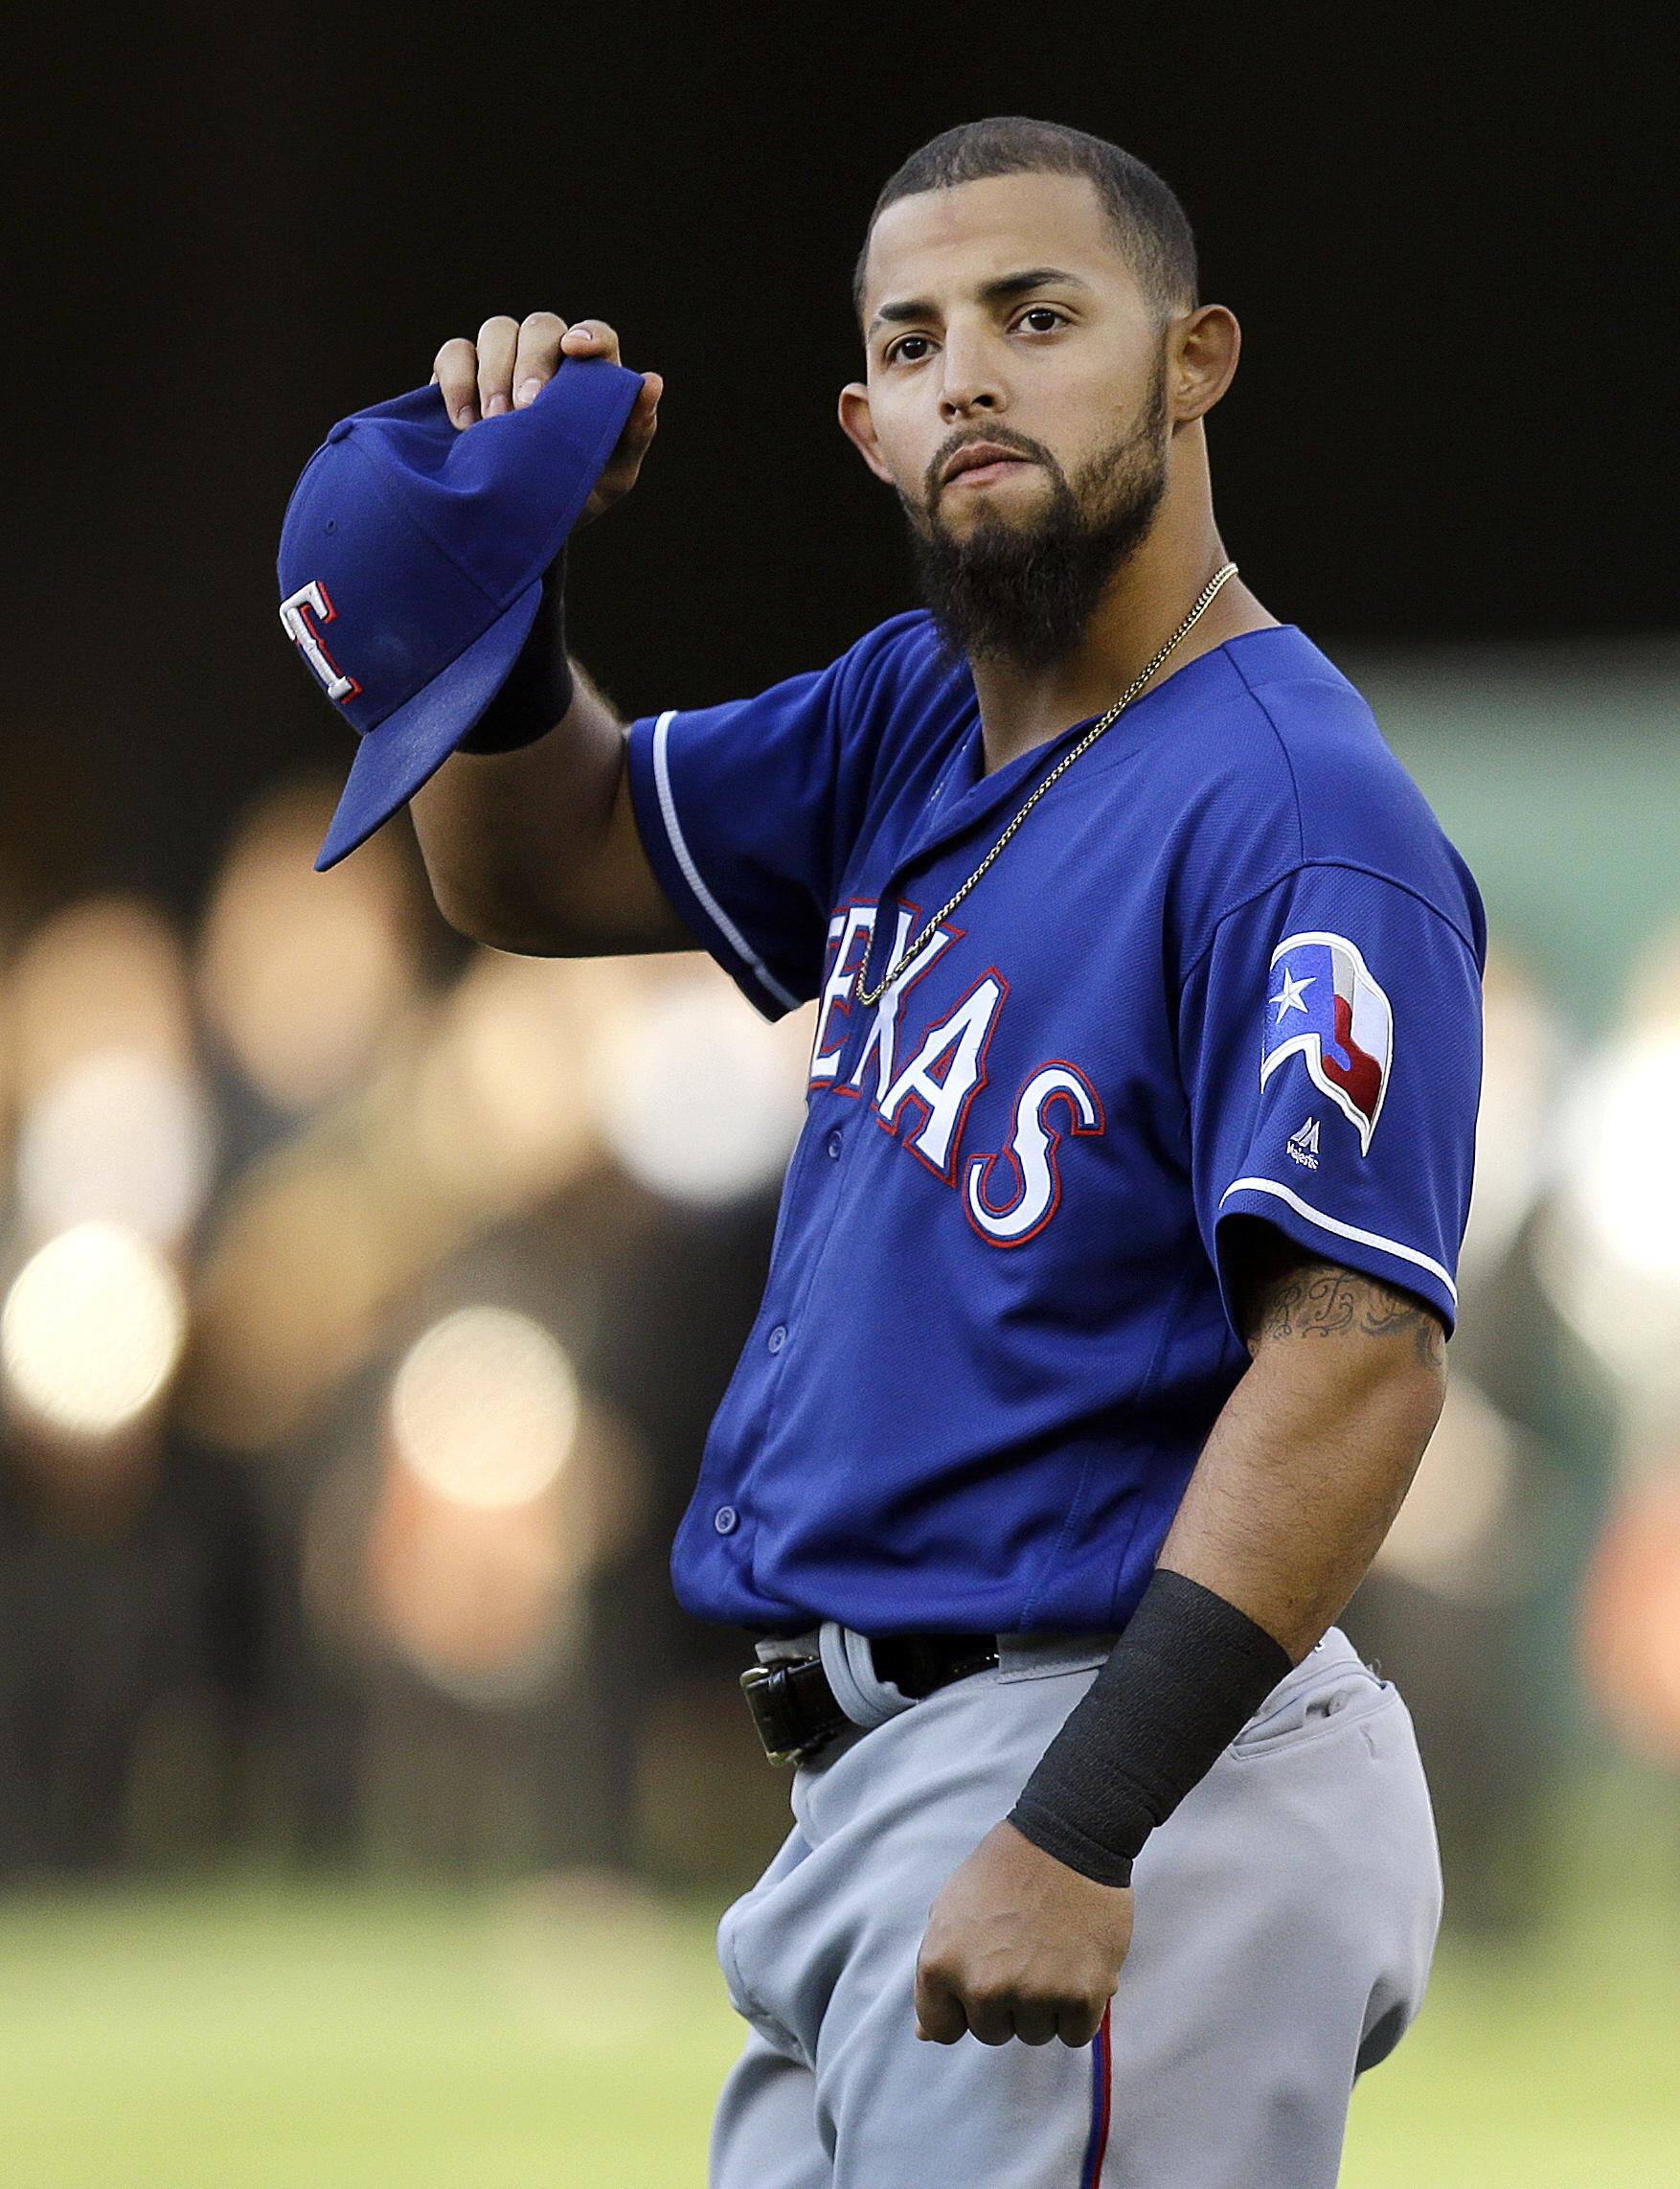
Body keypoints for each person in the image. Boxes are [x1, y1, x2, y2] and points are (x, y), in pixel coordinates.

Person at [407, 117, 1483, 2189]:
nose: (965, 374)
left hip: (1123, 1761)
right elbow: (540, 858)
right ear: (864, 425)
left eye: (1037, 315)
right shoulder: (917, 712)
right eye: (911, 343)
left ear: (1196, 359)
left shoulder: (1291, 809)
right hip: (881, 1778)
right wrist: (490, 591)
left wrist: (1084, 1829)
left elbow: (1354, 1365)